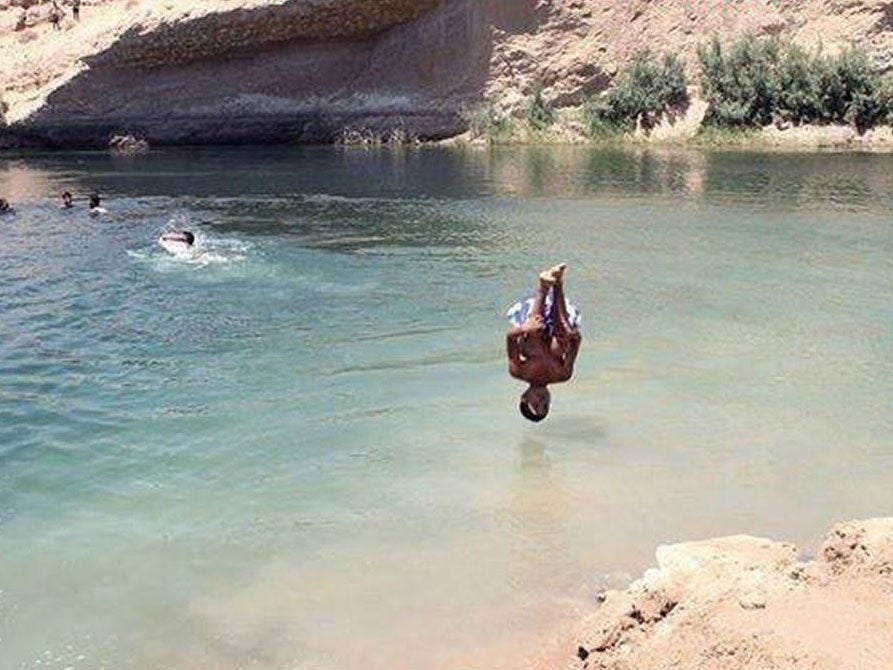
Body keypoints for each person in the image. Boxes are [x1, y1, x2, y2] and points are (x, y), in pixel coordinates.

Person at [506, 263, 582, 422]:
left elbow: (511, 337)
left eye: (536, 405)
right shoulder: (562, 375)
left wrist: (525, 328)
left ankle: (543, 286)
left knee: (532, 343)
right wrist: (571, 334)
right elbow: (576, 342)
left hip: (532, 321)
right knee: (559, 346)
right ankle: (558, 283)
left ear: (524, 397)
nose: (542, 402)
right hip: (560, 321)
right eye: (546, 406)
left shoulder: (518, 372)